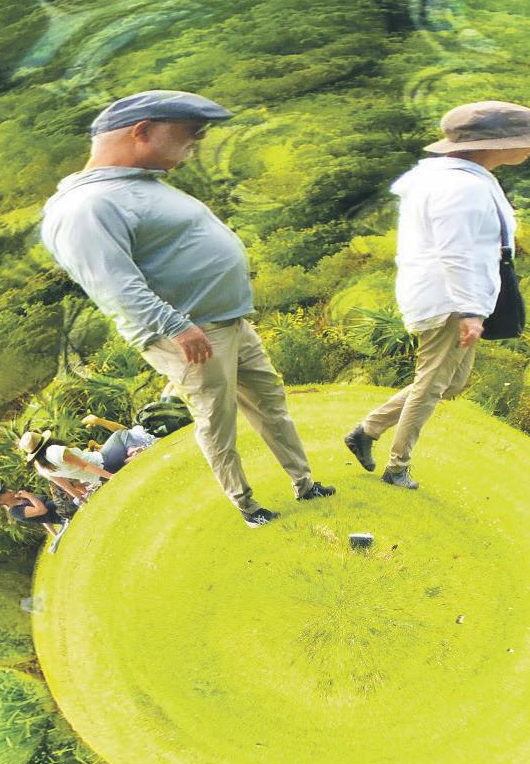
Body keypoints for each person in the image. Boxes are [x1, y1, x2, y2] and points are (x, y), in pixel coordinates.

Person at [33, 90, 331, 527]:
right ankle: (248, 506)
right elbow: (114, 285)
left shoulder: (138, 185)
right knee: (218, 424)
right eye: (191, 131)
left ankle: (305, 483)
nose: (198, 140)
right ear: (142, 131)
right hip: (190, 334)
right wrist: (176, 326)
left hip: (227, 323)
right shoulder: (85, 207)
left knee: (271, 406)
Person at [345, 99, 530, 491]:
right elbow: (455, 252)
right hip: (451, 299)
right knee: (432, 384)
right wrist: (470, 310)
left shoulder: (458, 177)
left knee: (451, 382)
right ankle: (397, 467)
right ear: (497, 144)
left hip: (453, 293)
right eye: (529, 139)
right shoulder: (461, 188)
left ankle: (366, 430)